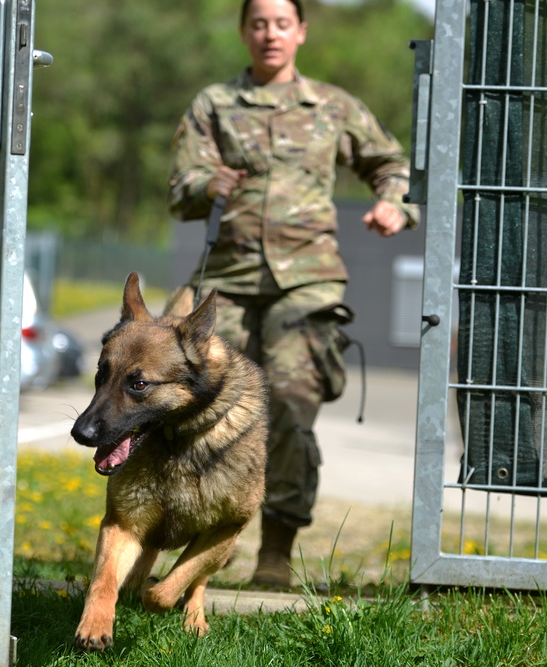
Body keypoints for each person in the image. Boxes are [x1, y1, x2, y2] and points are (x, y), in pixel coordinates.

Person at [167, 0, 419, 587]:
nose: (270, 33)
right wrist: (210, 182)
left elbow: (391, 163)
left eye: (282, 23)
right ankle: (188, 545)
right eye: (259, 23)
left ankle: (274, 552)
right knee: (192, 405)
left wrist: (394, 205)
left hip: (306, 281)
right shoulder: (215, 104)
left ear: (300, 32)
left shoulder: (332, 106)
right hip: (225, 282)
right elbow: (180, 189)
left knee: (288, 405)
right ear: (244, 32)